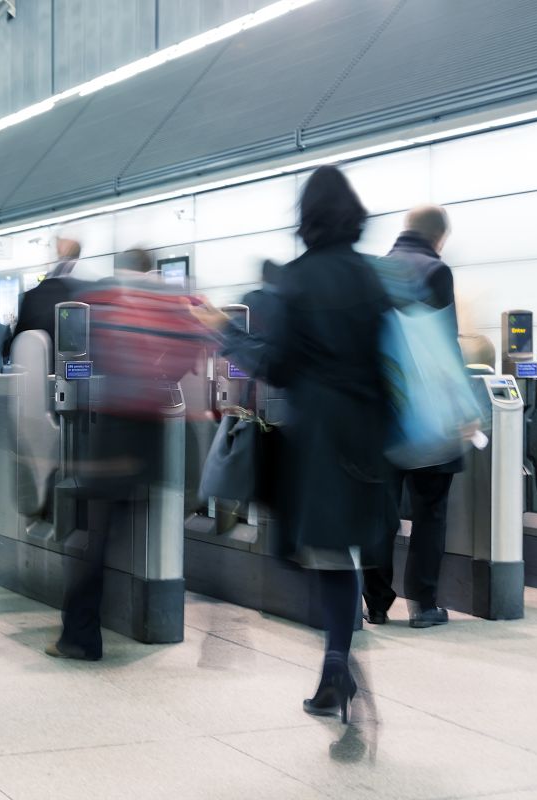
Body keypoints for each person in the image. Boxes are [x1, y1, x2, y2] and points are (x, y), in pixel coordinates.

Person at [201, 165, 391, 723]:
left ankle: (336, 668)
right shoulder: (373, 277)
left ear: (306, 218)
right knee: (341, 549)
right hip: (368, 430)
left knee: (321, 552)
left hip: (319, 434)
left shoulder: (298, 279)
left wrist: (226, 331)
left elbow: (278, 365)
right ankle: (336, 664)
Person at [47, 248, 213, 661]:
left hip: (115, 431)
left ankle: (80, 637)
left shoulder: (108, 296)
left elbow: (89, 351)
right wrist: (164, 376)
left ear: (122, 268)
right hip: (155, 432)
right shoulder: (174, 301)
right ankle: (153, 620)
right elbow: (199, 340)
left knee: (94, 537)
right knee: (148, 528)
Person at [363, 205, 458, 629]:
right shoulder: (436, 271)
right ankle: (423, 604)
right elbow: (443, 344)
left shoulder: (374, 271)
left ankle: (376, 604)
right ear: (440, 237)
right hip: (427, 411)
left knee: (379, 512)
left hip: (380, 411)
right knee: (430, 509)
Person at [13, 236, 83, 355]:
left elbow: (18, 340)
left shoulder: (33, 296)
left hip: (40, 360)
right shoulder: (82, 292)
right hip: (74, 360)